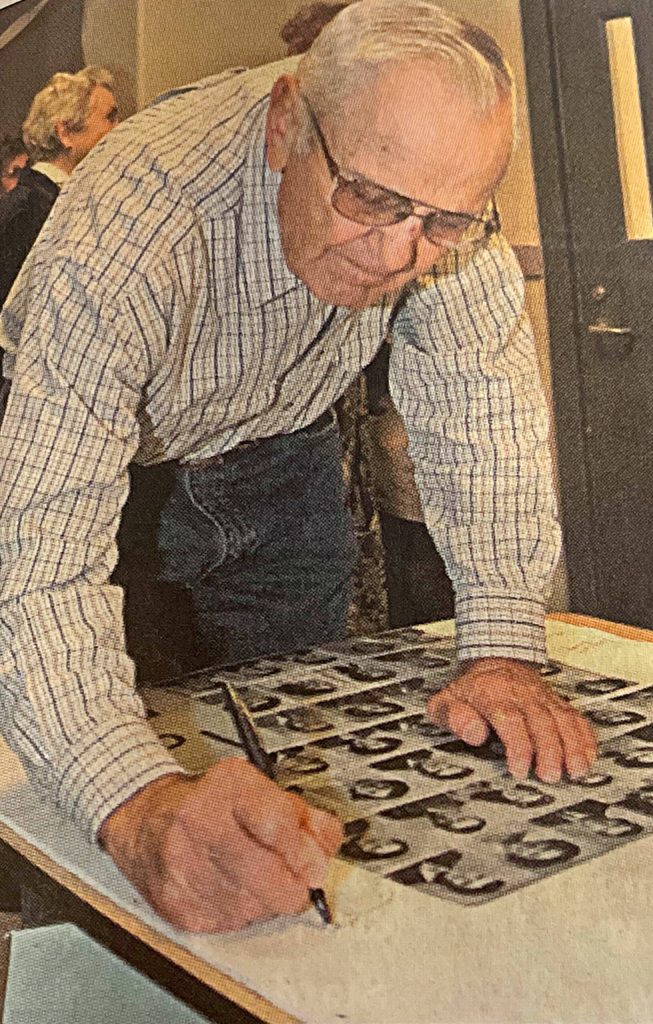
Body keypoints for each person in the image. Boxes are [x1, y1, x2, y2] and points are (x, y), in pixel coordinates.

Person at [0, 1, 597, 934]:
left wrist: (501, 647)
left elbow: (480, 412)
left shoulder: (439, 207)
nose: (399, 254)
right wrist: (132, 803)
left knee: (297, 753)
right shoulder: (132, 222)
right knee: (103, 807)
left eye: (440, 222)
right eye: (367, 199)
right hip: (115, 479)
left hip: (282, 458)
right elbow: (35, 560)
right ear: (285, 126)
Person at [0, 67, 119, 309]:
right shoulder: (25, 211)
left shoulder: (58, 199)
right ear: (64, 132)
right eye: (110, 117)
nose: (120, 128)